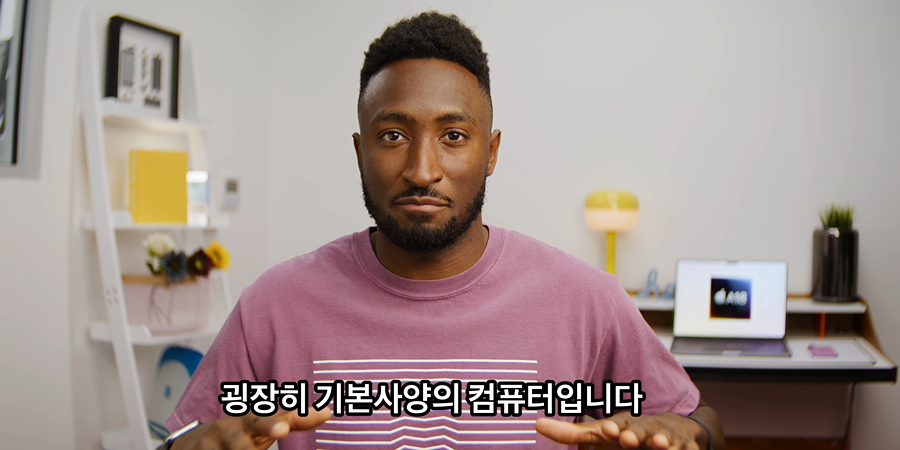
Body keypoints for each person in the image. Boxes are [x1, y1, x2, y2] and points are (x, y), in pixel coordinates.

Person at [165, 11, 725, 450]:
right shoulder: (275, 307)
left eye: (453, 136)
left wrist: (689, 436)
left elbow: (699, 423)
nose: (422, 170)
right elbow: (189, 437)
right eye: (392, 136)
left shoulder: (585, 302)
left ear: (491, 152)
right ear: (359, 152)